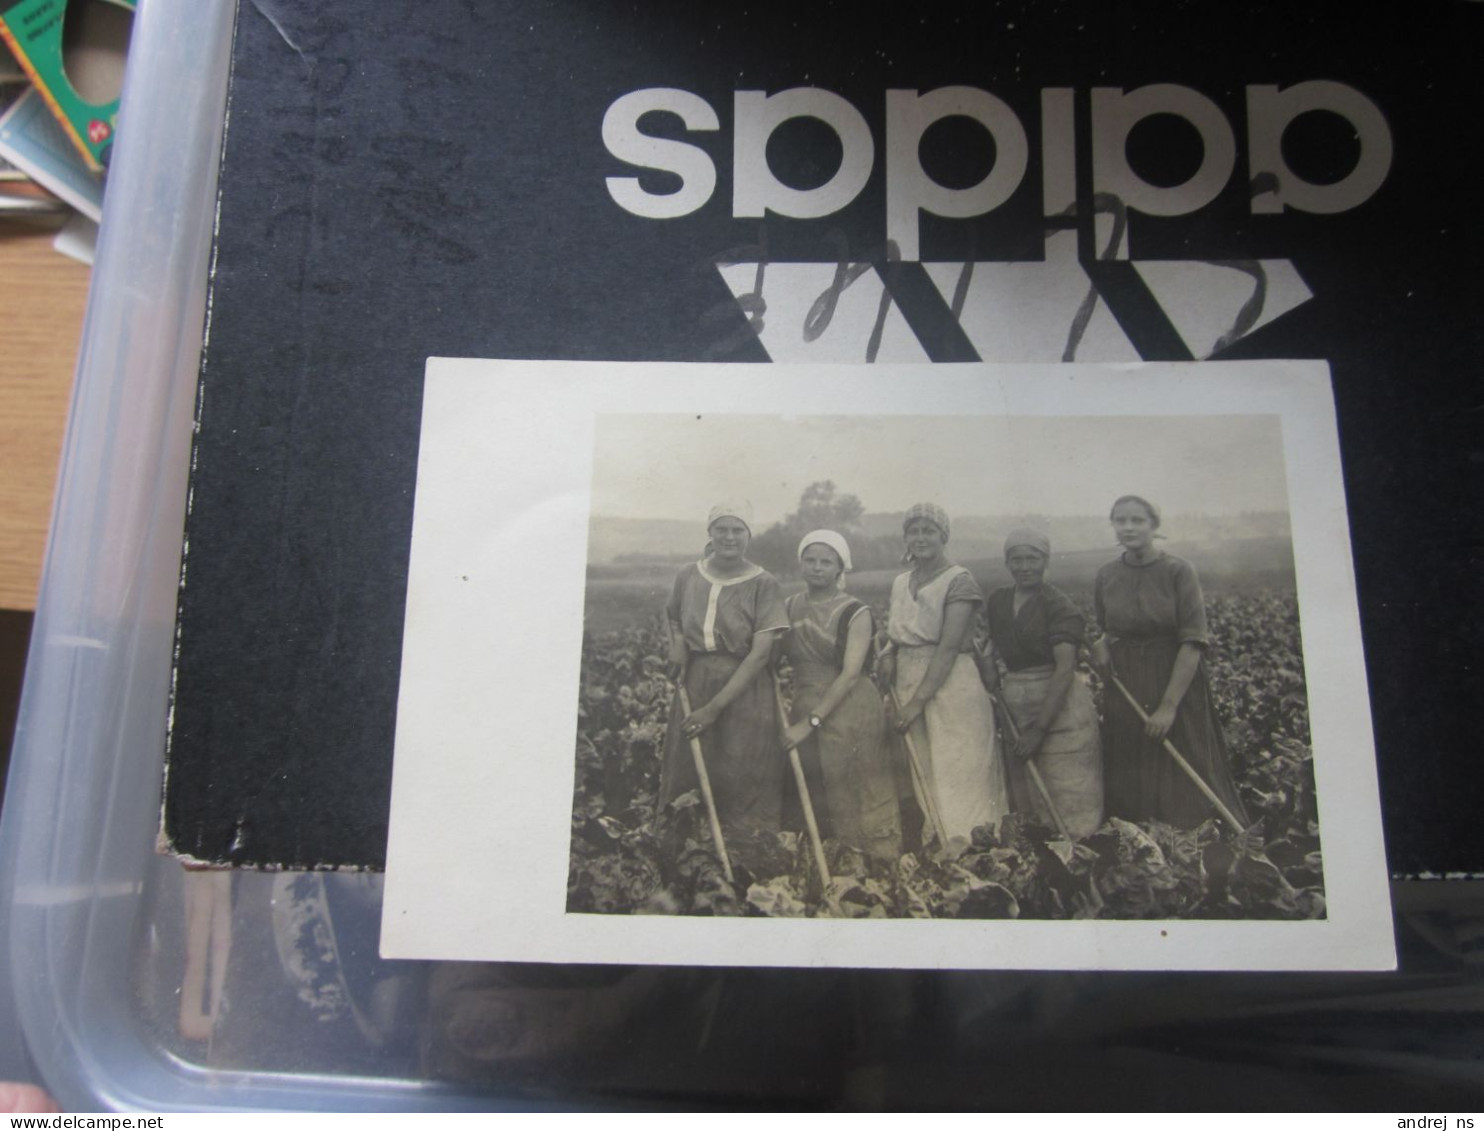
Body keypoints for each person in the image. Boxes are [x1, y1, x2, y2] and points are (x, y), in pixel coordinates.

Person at [1090, 495, 1250, 828]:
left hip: (1173, 678)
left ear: (1154, 525)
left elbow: (1192, 642)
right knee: (1131, 768)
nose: (1129, 527)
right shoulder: (1106, 574)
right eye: (1121, 520)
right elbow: (1107, 629)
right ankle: (1142, 852)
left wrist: (1168, 707)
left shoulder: (1178, 570)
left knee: (1183, 767)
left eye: (1138, 520)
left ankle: (1197, 852)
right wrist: (1101, 644)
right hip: (1126, 682)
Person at [660, 501, 790, 839]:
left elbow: (760, 654)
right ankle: (688, 858)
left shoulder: (764, 583)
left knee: (741, 770)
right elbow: (673, 615)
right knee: (690, 769)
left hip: (743, 688)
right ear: (710, 532)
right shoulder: (688, 574)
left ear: (748, 535)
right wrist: (677, 645)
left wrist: (714, 708)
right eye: (722, 529)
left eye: (737, 530)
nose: (729, 537)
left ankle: (745, 863)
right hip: (696, 678)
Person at [881, 503, 1005, 848]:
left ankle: (974, 850)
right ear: (905, 537)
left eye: (928, 531)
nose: (920, 538)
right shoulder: (900, 582)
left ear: (943, 536)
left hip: (951, 687)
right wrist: (889, 653)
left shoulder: (958, 580)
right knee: (925, 772)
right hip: (908, 680)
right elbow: (897, 634)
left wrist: (916, 703)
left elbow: (948, 647)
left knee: (958, 771)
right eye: (914, 531)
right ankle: (940, 852)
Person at [780, 530, 902, 862]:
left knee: (860, 787)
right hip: (806, 702)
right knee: (819, 790)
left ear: (839, 568)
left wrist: (811, 721)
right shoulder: (788, 607)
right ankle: (833, 870)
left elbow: (850, 675)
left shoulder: (855, 612)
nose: (817, 568)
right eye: (810, 560)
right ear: (801, 564)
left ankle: (878, 867)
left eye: (826, 562)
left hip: (850, 708)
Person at [983, 529, 1104, 838]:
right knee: (1029, 797)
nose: (1025, 567)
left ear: (1046, 561)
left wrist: (1039, 729)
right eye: (1017, 559)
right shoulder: (998, 601)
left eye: (1032, 559)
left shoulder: (1059, 606)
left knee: (1068, 790)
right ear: (1007, 563)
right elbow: (989, 644)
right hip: (1015, 704)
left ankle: (1079, 853)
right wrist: (989, 667)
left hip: (1060, 709)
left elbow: (1065, 669)